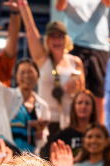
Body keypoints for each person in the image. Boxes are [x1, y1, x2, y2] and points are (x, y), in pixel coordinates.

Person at [18, 0, 84, 132]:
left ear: (65, 39)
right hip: (46, 121)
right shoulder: (42, 59)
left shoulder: (75, 62)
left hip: (69, 122)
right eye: (52, 37)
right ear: (47, 40)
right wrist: (23, 5)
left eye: (60, 36)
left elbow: (83, 92)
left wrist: (75, 89)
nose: (56, 40)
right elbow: (31, 29)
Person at [52, 0, 110, 100]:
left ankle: (98, 116)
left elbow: (109, 2)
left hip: (99, 46)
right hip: (74, 46)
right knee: (75, 90)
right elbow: (59, 6)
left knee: (98, 93)